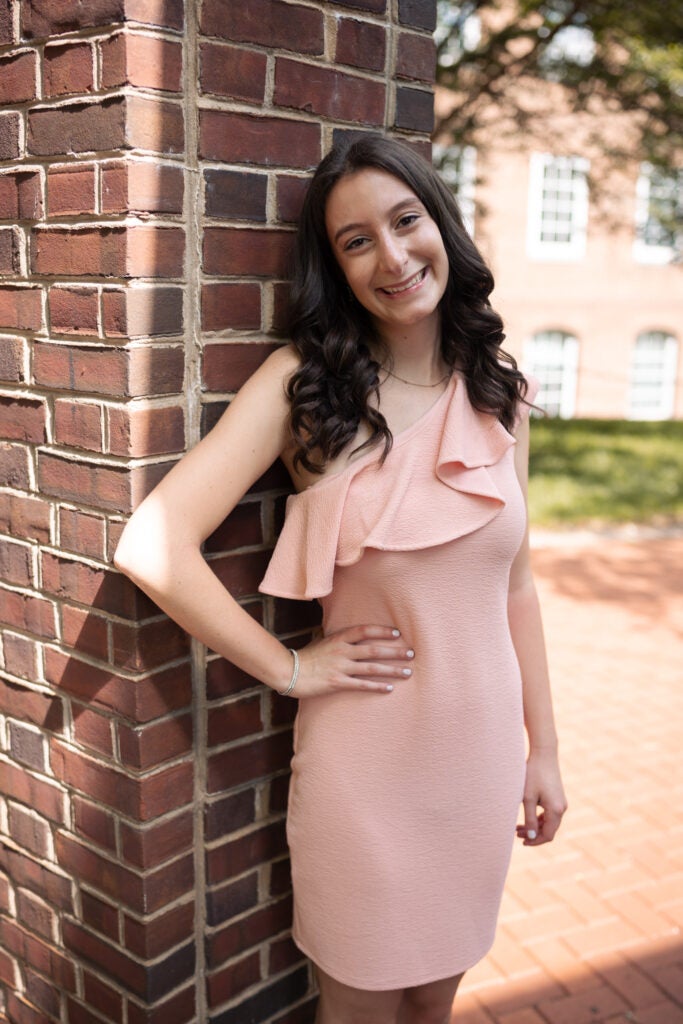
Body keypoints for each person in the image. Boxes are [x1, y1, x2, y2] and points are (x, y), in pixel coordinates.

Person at [114, 133, 567, 1024]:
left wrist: (542, 749)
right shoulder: (304, 389)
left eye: (405, 221)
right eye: (356, 240)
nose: (392, 257)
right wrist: (290, 669)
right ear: (335, 266)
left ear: (441, 225)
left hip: (475, 770)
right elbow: (153, 542)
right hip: (364, 780)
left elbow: (516, 584)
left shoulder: (497, 392)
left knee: (435, 1003)